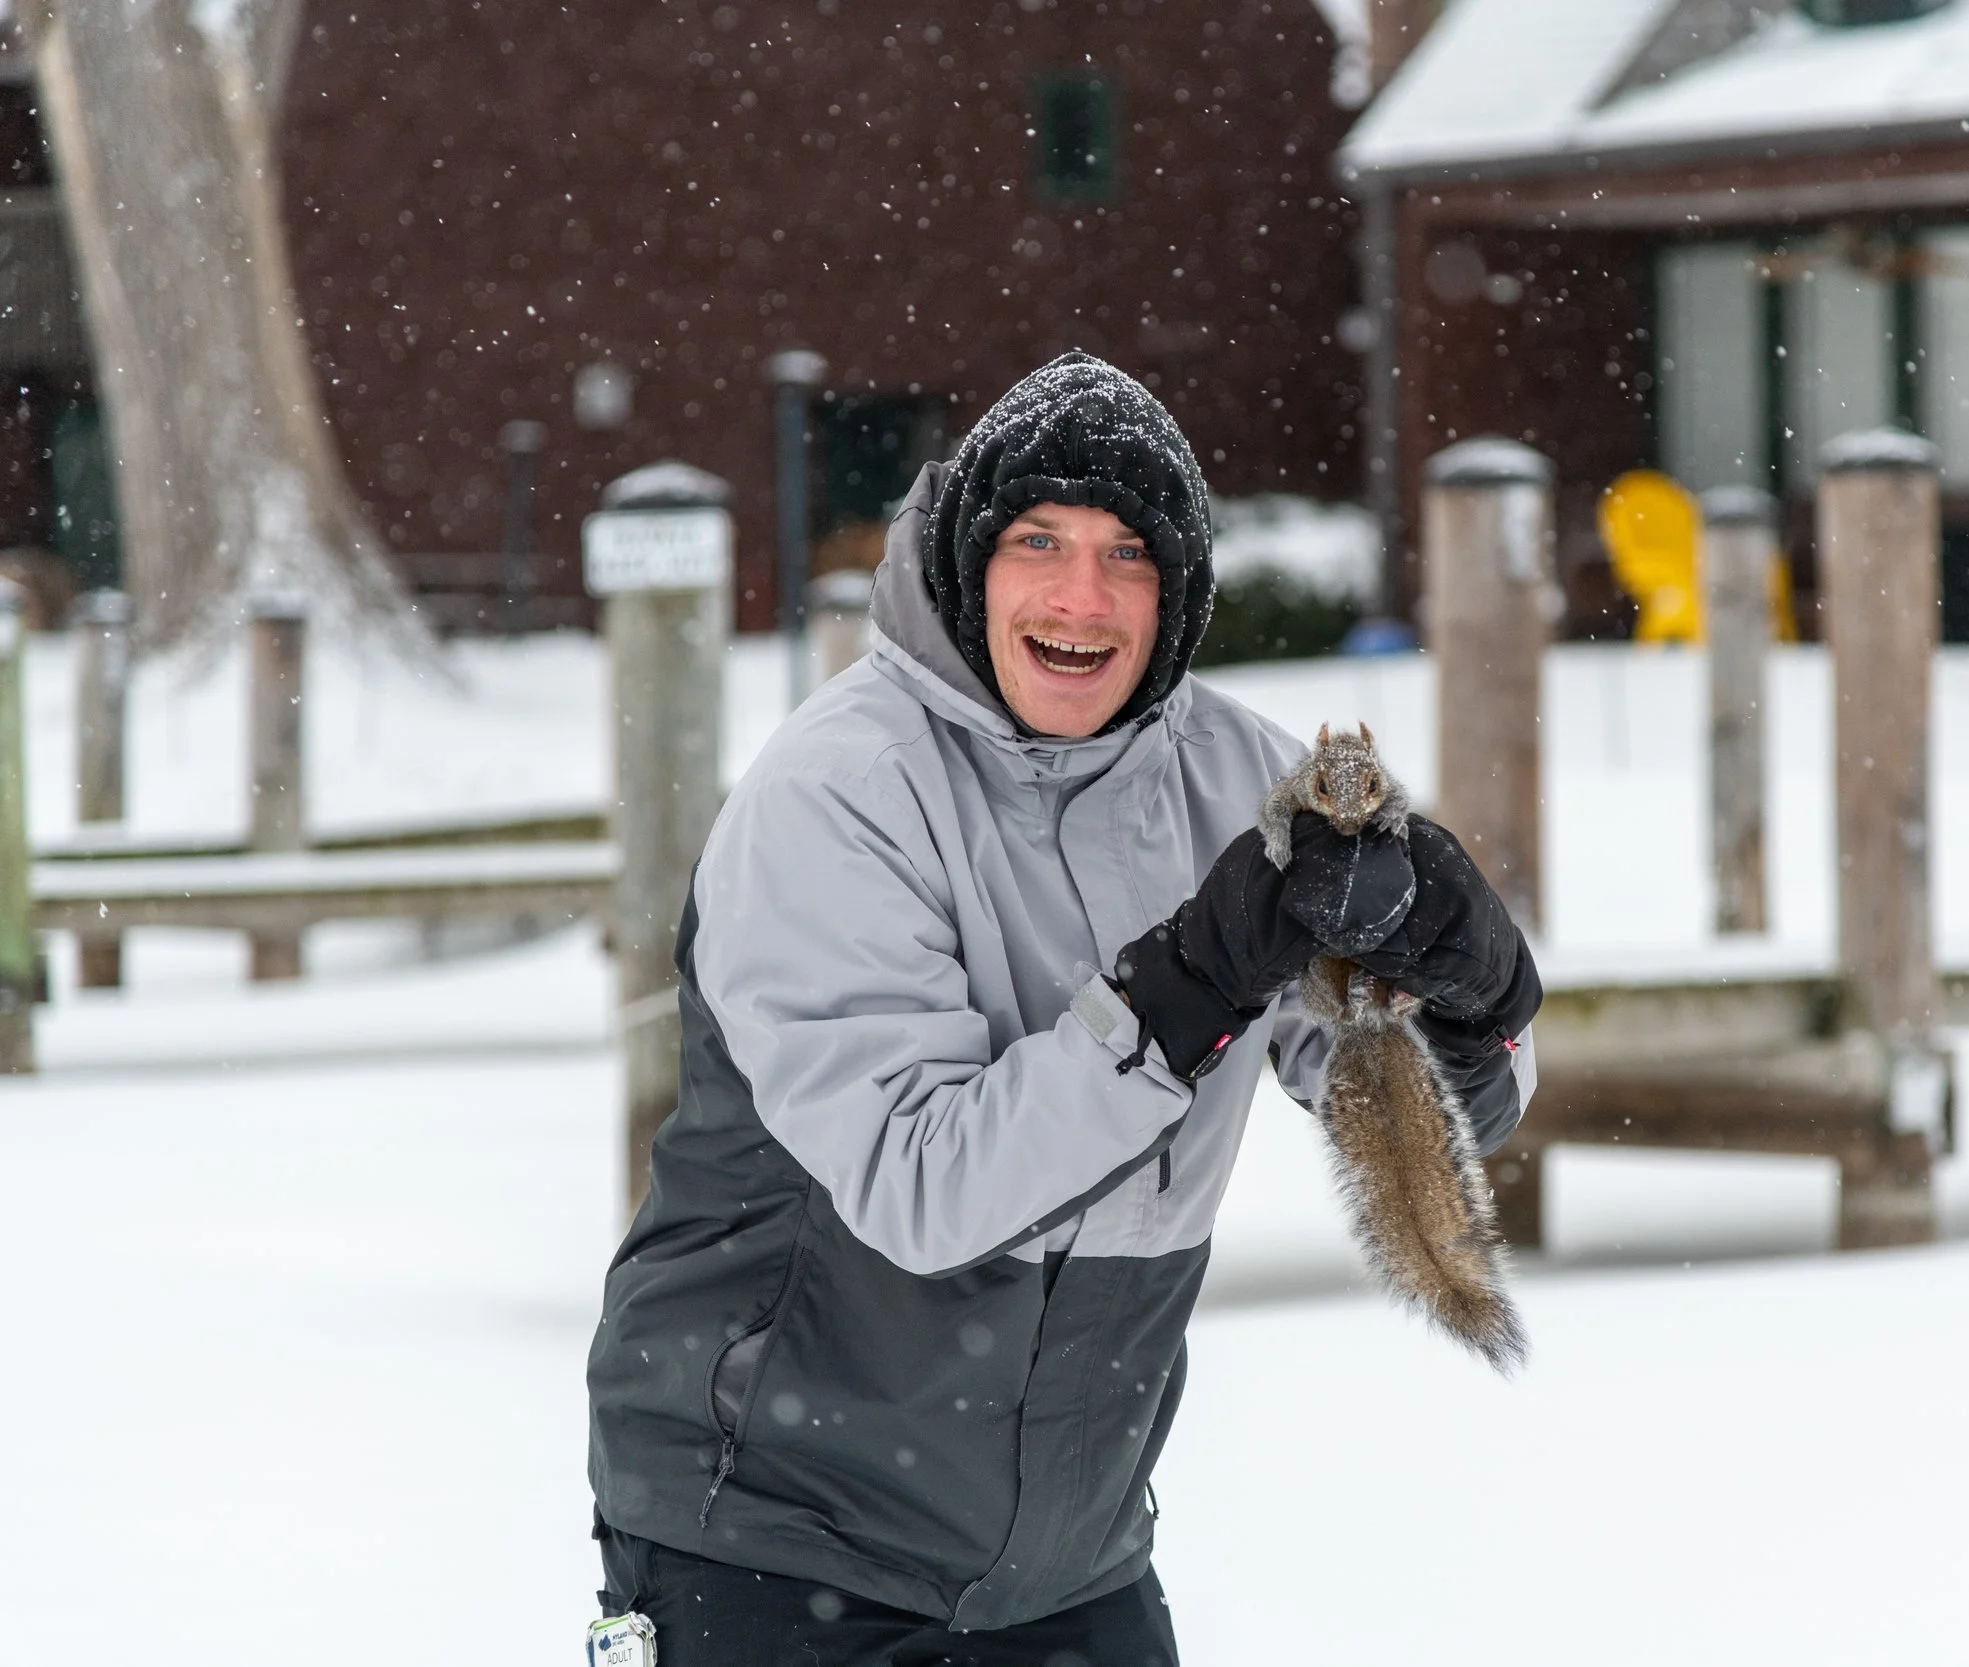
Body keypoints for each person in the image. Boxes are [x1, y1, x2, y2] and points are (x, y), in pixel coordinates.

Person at [585, 352, 1541, 1664]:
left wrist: (1474, 999)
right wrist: (1189, 984)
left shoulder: (1245, 780)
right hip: (776, 1536)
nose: (1081, 596)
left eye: (1128, 553)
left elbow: (1413, 1122)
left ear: (1182, 587)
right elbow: (924, 1188)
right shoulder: (840, 795)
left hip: (1067, 1560)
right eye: (1040, 540)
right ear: (975, 560)